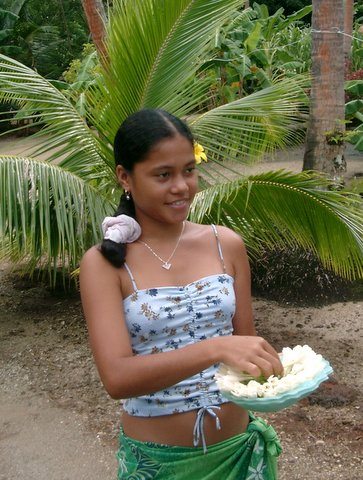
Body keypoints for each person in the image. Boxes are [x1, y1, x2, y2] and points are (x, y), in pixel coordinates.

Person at [80, 108, 283, 479]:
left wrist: (283, 377)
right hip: (159, 464)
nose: (182, 187)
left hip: (239, 453)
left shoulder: (225, 244)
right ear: (125, 177)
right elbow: (117, 378)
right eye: (163, 175)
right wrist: (214, 348)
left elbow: (246, 349)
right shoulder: (105, 263)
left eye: (189, 170)